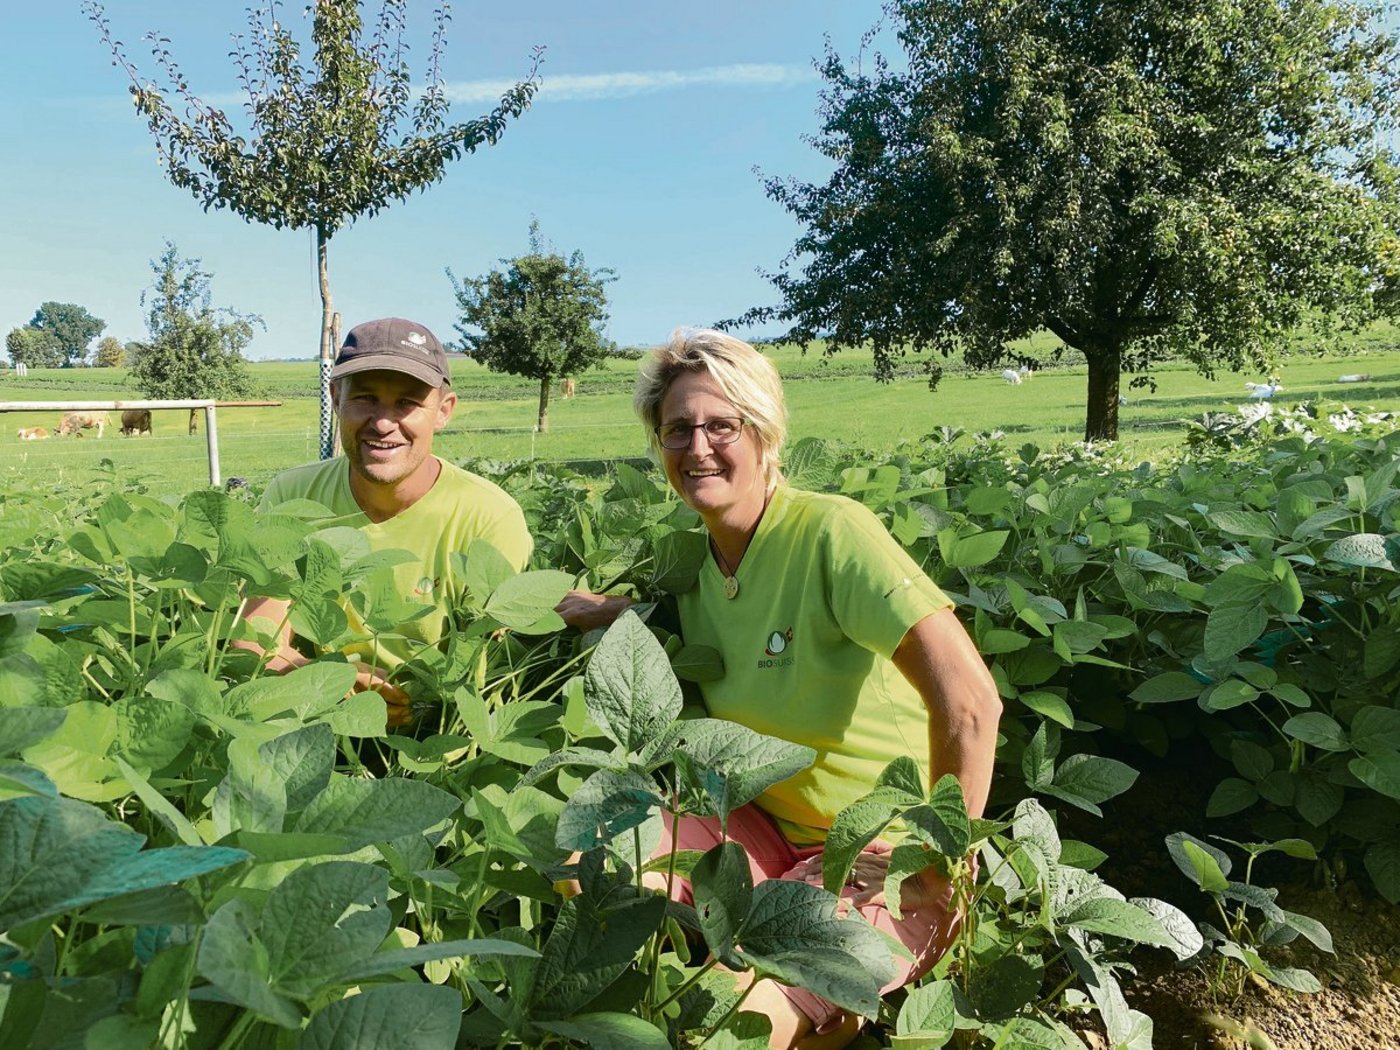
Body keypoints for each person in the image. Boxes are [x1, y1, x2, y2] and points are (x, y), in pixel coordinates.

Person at [558, 328, 1002, 1049]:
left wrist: (942, 859)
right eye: (677, 429)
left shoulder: (832, 533)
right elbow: (681, 616)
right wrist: (609, 612)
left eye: (721, 425)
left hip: (882, 855)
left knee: (735, 1021)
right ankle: (720, 975)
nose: (697, 446)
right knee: (584, 853)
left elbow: (972, 701)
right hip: (757, 833)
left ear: (764, 435)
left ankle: (809, 995)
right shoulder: (694, 569)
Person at [237, 317, 532, 726]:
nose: (382, 423)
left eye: (407, 403)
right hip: (310, 725)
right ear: (336, 396)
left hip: (441, 743)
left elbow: (482, 669)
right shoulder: (293, 496)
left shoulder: (489, 517)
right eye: (366, 399)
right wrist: (320, 682)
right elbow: (253, 639)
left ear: (443, 411)